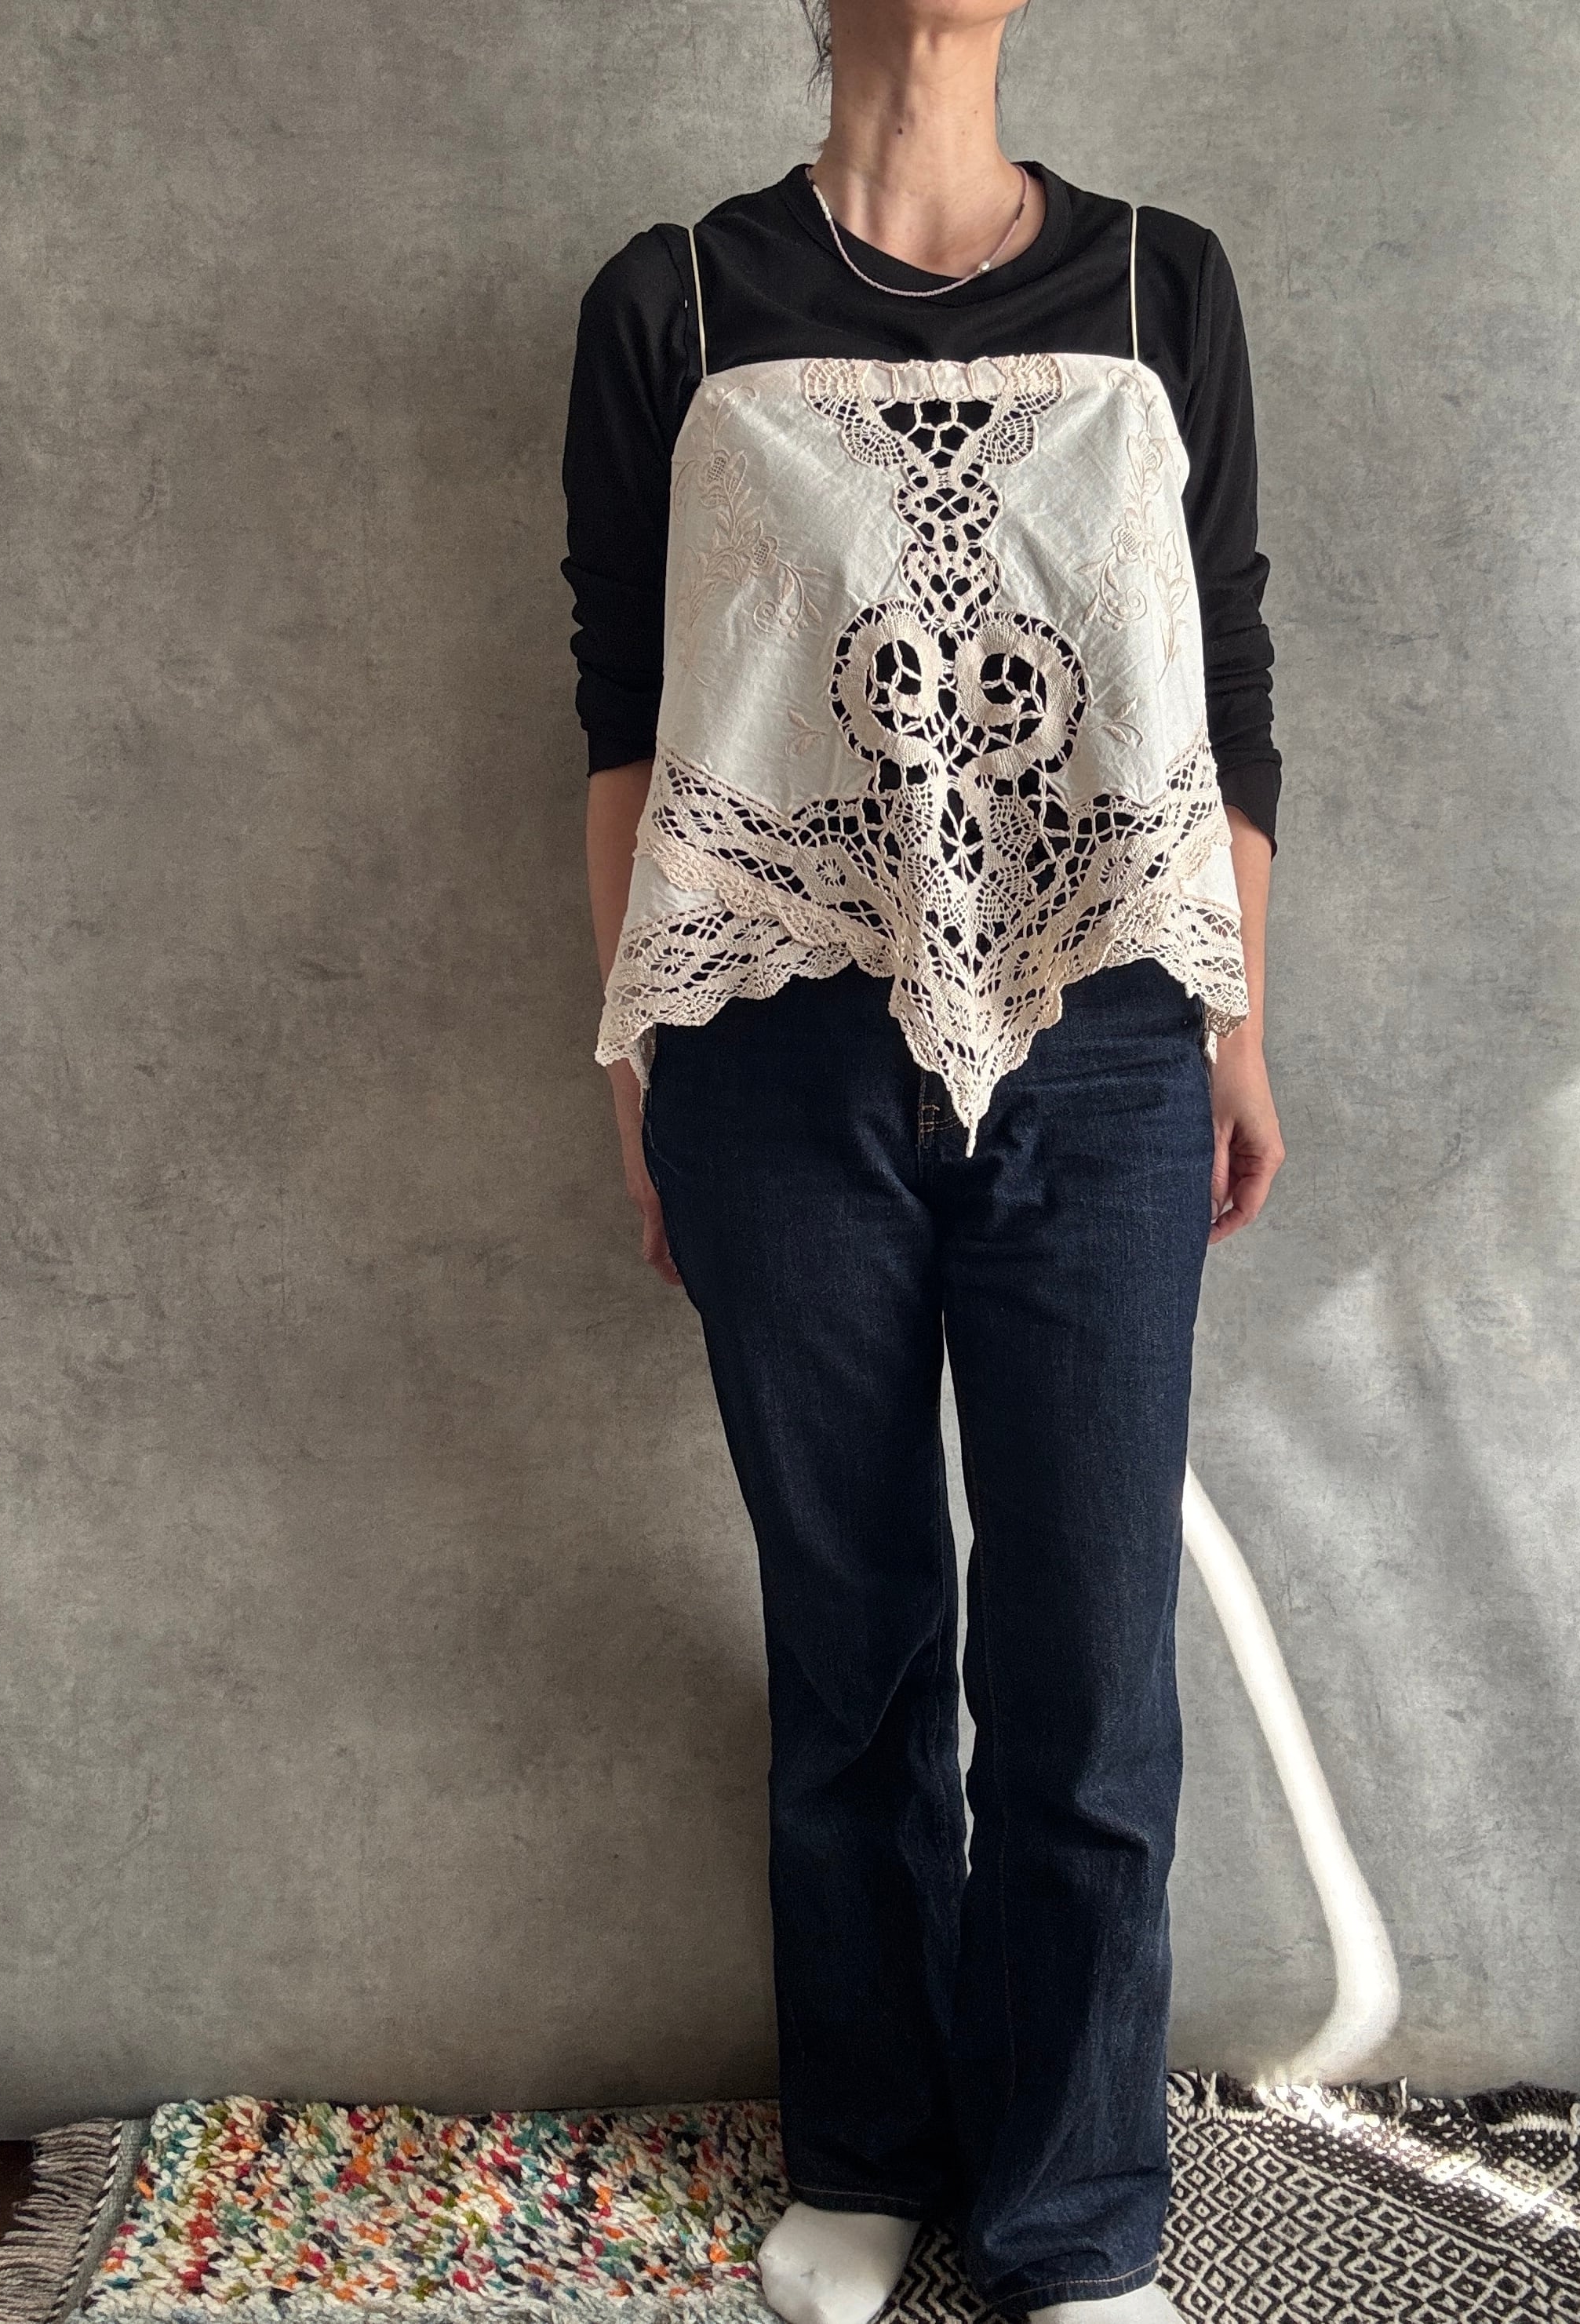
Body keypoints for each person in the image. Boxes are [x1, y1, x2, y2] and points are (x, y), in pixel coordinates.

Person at [560, 5, 1286, 2321]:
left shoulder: (1165, 281)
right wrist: (636, 1056)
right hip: (771, 1037)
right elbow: (625, 709)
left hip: (1113, 1030)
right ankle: (868, 2146)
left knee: (1089, 1648)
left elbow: (1226, 682)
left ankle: (1074, 2212)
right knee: (856, 1635)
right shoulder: (673, 300)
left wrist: (1240, 1022)